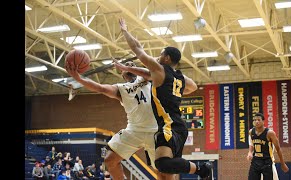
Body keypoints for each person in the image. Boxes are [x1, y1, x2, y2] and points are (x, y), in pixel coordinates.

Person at [118, 17, 212, 179]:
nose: (158, 57)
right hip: (178, 126)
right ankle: (201, 169)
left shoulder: (160, 70)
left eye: (160, 54)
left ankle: (202, 168)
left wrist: (125, 31)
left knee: (162, 164)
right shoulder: (180, 78)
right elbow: (193, 87)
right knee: (167, 168)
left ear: (167, 58)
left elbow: (137, 48)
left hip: (169, 126)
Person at [66, 60, 158, 180]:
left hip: (155, 130)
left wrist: (131, 66)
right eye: (128, 65)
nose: (130, 65)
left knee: (164, 170)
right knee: (110, 160)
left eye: (133, 65)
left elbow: (154, 69)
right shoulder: (120, 89)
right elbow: (100, 88)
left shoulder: (146, 77)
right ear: (122, 74)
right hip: (134, 130)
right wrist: (78, 78)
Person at [247, 113, 289, 180]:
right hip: (256, 160)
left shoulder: (270, 133)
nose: (256, 122)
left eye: (258, 120)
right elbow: (251, 144)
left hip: (267, 161)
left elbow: (278, 149)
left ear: (263, 121)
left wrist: (282, 163)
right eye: (254, 120)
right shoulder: (251, 132)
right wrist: (250, 152)